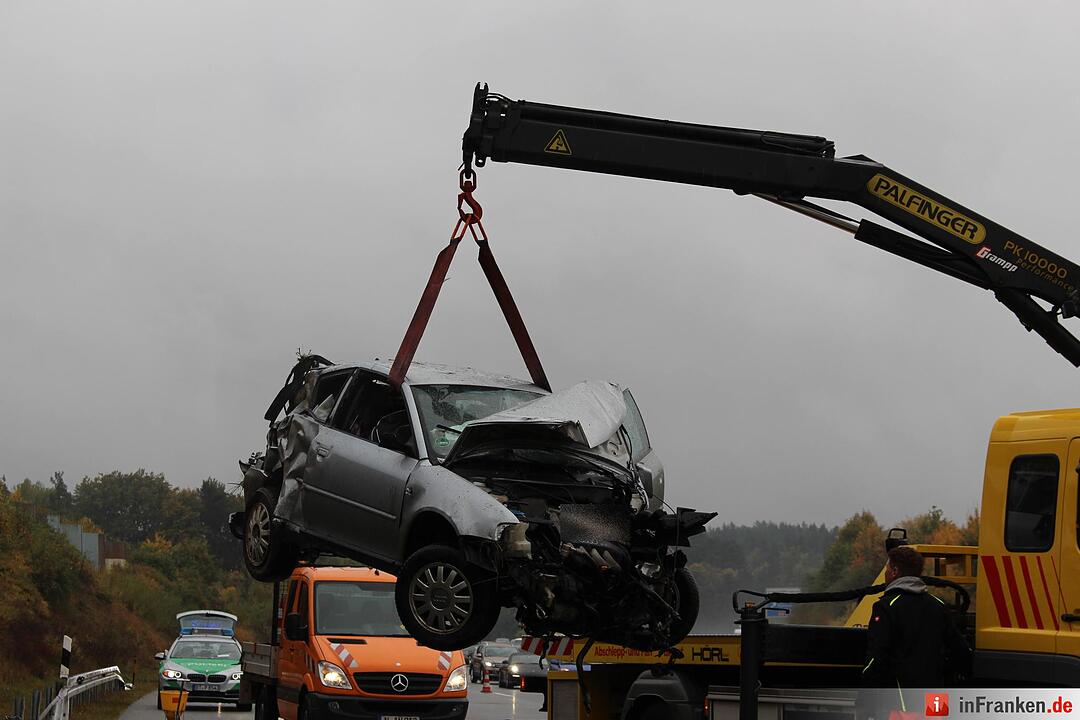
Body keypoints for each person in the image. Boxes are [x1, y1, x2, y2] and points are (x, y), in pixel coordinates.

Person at [859, 546, 971, 719]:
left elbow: (876, 659)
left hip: (901, 703)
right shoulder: (938, 606)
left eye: (887, 569)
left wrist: (864, 702)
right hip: (935, 703)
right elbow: (960, 651)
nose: (885, 574)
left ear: (895, 571)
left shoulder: (886, 607)